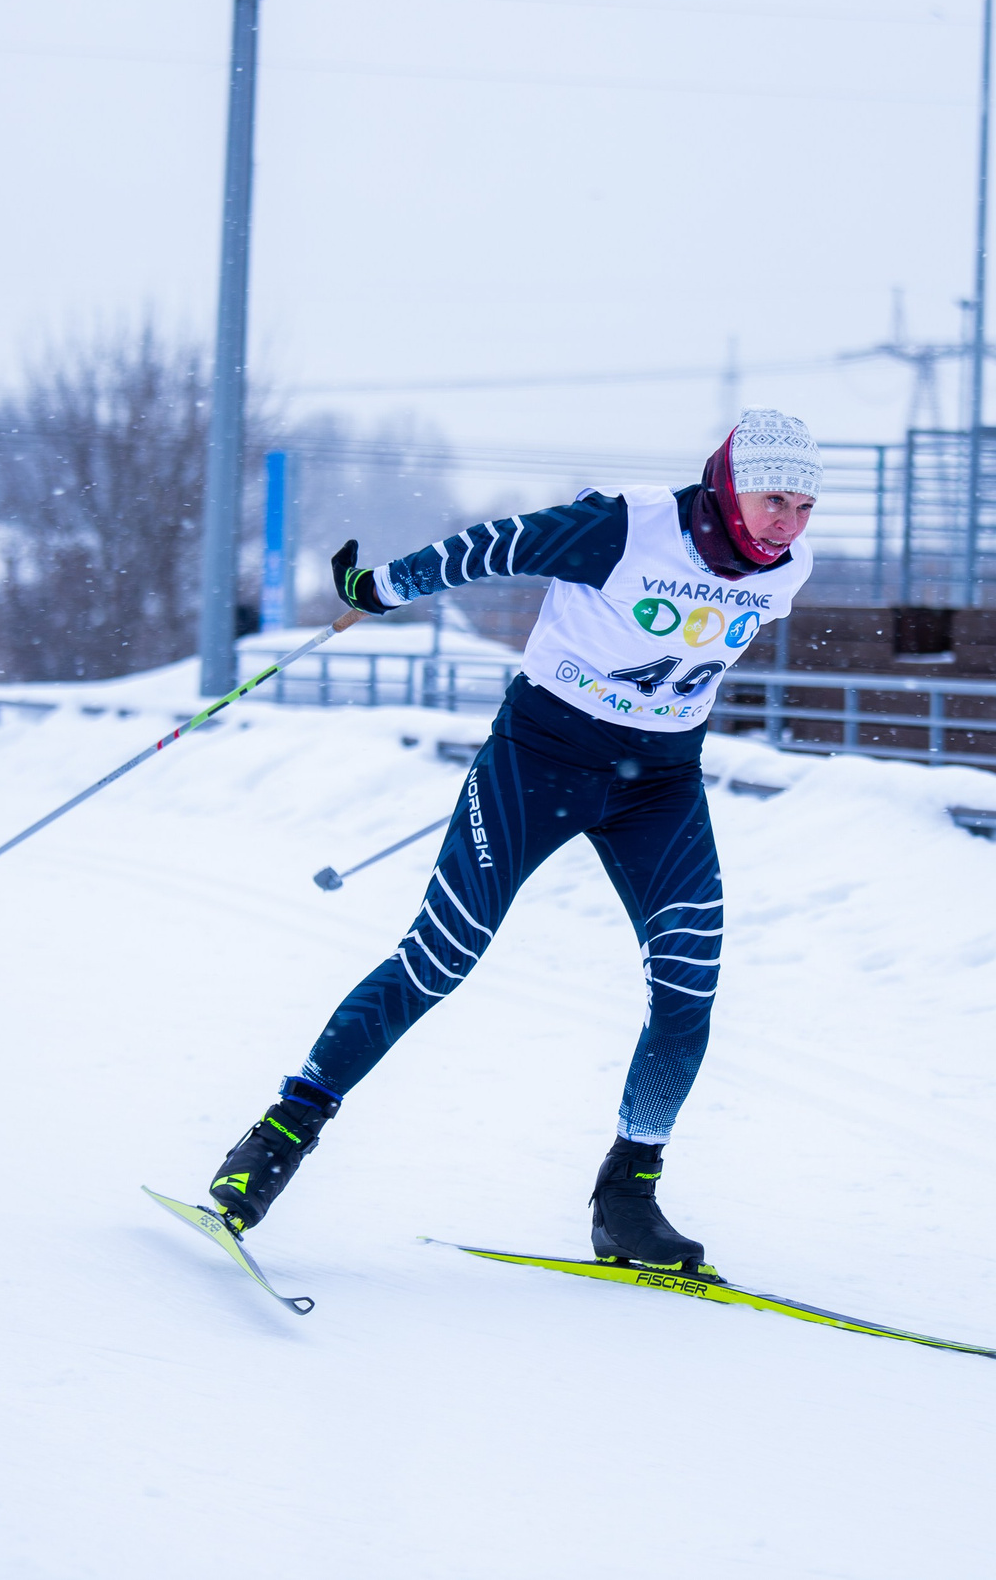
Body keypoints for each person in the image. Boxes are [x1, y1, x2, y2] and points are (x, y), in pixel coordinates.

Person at [206, 410, 821, 1273]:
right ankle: (278, 1136)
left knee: (689, 988)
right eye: (771, 499)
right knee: (438, 958)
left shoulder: (788, 569)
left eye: (803, 504)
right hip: (540, 763)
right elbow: (491, 547)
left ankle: (628, 1198)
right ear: (726, 480)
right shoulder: (627, 526)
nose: (785, 523)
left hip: (661, 786)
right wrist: (380, 586)